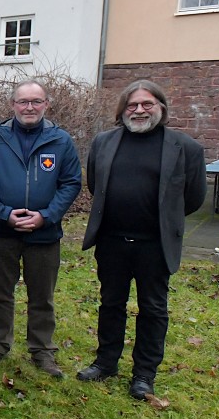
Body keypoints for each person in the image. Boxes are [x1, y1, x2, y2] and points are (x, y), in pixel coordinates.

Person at [78, 80, 206, 400]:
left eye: (147, 104)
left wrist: (162, 217)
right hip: (112, 241)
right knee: (111, 303)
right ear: (122, 110)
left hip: (155, 244)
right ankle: (106, 362)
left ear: (161, 108)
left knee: (153, 309)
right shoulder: (103, 143)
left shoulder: (185, 148)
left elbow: (193, 197)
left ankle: (144, 374)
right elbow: (96, 186)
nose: (139, 110)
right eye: (132, 105)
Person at [0, 81, 82, 378]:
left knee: (42, 296)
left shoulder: (60, 140)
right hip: (3, 232)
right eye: (23, 101)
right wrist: (4, 214)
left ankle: (42, 350)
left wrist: (46, 216)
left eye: (36, 101)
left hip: (44, 234)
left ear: (46, 104)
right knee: (0, 294)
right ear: (12, 104)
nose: (29, 107)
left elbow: (71, 182)